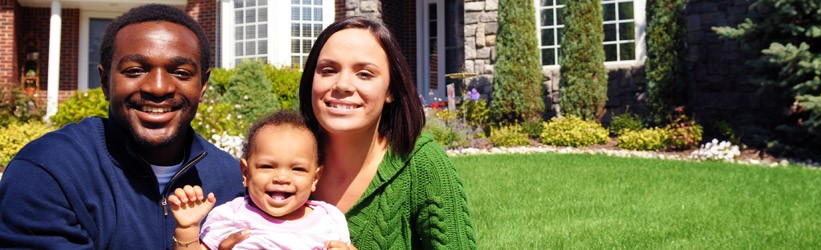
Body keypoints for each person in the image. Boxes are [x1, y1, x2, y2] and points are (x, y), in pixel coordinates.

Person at [0, 4, 245, 249]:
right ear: (105, 82)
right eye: (135, 70)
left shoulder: (233, 181)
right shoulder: (48, 172)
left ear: (202, 86)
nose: (158, 88)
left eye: (180, 73)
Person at [298, 16, 478, 249]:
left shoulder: (423, 165)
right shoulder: (277, 156)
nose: (342, 85)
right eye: (328, 70)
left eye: (364, 74)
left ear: (391, 90)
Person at [167, 110, 351, 250]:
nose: (281, 178)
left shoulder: (329, 219)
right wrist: (188, 228)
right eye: (267, 166)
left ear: (315, 178)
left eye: (298, 169)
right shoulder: (231, 216)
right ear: (245, 173)